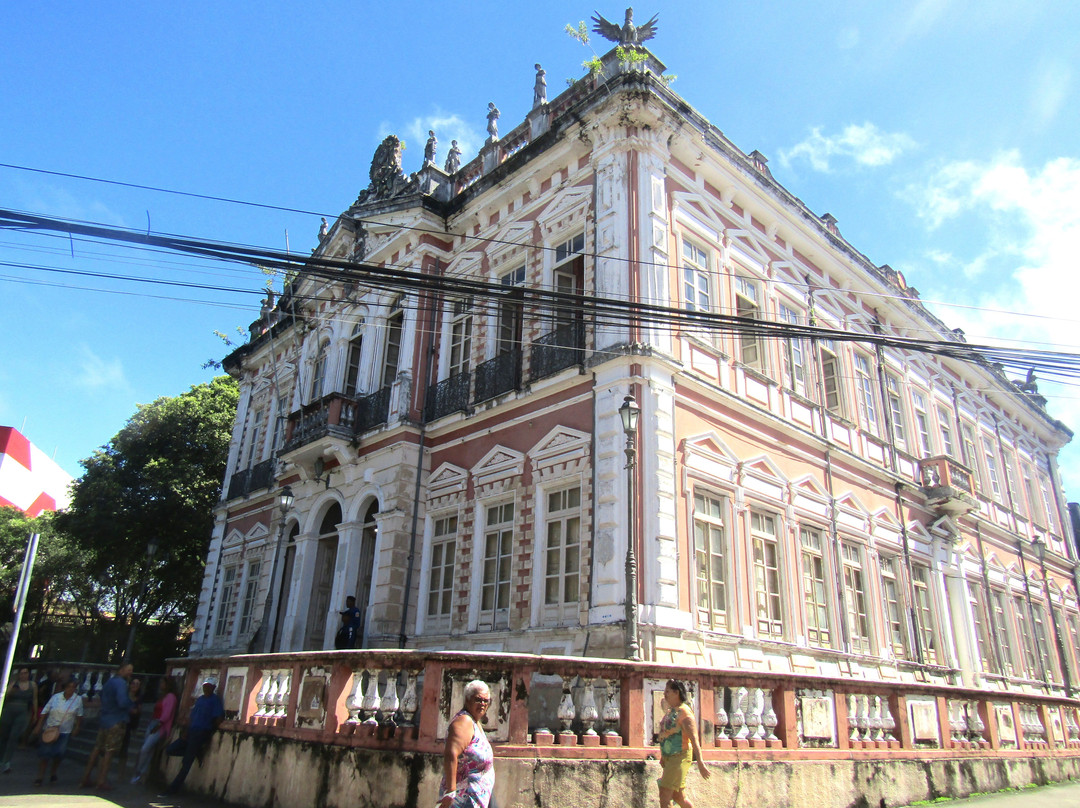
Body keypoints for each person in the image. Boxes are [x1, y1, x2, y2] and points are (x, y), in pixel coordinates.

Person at [80, 662, 136, 790]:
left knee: (97, 749)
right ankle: (101, 780)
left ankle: (86, 777)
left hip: (105, 719)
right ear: (121, 670)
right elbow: (122, 702)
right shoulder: (121, 683)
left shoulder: (109, 682)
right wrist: (131, 707)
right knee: (109, 752)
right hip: (116, 720)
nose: (130, 673)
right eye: (128, 670)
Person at [438, 679, 495, 808]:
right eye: (478, 699)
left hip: (478, 796)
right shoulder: (464, 721)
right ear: (467, 700)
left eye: (486, 701)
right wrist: (451, 791)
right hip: (463, 798)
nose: (482, 704)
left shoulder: (475, 722)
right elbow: (451, 753)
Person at [655, 679, 710, 808]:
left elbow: (694, 739)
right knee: (678, 795)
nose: (665, 694)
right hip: (670, 758)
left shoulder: (684, 712)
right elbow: (666, 734)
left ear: (676, 693)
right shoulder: (671, 711)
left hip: (680, 757)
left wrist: (701, 762)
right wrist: (664, 756)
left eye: (667, 691)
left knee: (664, 795)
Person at [163, 678, 224, 794]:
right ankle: (194, 752)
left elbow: (218, 717)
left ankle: (173, 789)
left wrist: (211, 728)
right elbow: (193, 716)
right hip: (192, 731)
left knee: (186, 763)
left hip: (201, 732)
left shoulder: (214, 700)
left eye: (208, 686)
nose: (205, 688)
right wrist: (187, 729)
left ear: (213, 688)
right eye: (205, 685)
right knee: (170, 750)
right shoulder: (200, 699)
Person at [30, 677, 83, 785]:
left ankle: (53, 773)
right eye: (69, 687)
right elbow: (45, 711)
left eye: (73, 687)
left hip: (65, 730)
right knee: (45, 753)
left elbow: (79, 715)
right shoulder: (56, 697)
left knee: (59, 753)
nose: (71, 689)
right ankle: (40, 776)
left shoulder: (77, 700)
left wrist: (77, 727)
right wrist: (39, 726)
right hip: (50, 728)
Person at [131, 677, 177, 784]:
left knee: (145, 748)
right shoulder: (162, 696)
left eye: (162, 683)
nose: (160, 685)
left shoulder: (171, 697)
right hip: (153, 723)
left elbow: (167, 714)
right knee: (148, 749)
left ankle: (140, 771)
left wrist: (159, 725)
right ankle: (142, 774)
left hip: (160, 725)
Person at [0, 667, 38, 774]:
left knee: (14, 736)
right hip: (9, 710)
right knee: (4, 735)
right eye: (21, 673)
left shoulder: (32, 685)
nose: (23, 675)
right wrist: (11, 691)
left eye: (25, 673)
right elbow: (5, 696)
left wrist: (34, 714)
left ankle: (7, 762)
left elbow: (34, 699)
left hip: (22, 711)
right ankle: (1, 757)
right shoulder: (13, 684)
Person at [120, 677, 144, 768]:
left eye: (137, 684)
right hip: (120, 723)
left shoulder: (139, 698)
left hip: (129, 724)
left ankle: (120, 773)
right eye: (133, 683)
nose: (134, 685)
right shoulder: (124, 695)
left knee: (124, 750)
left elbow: (138, 711)